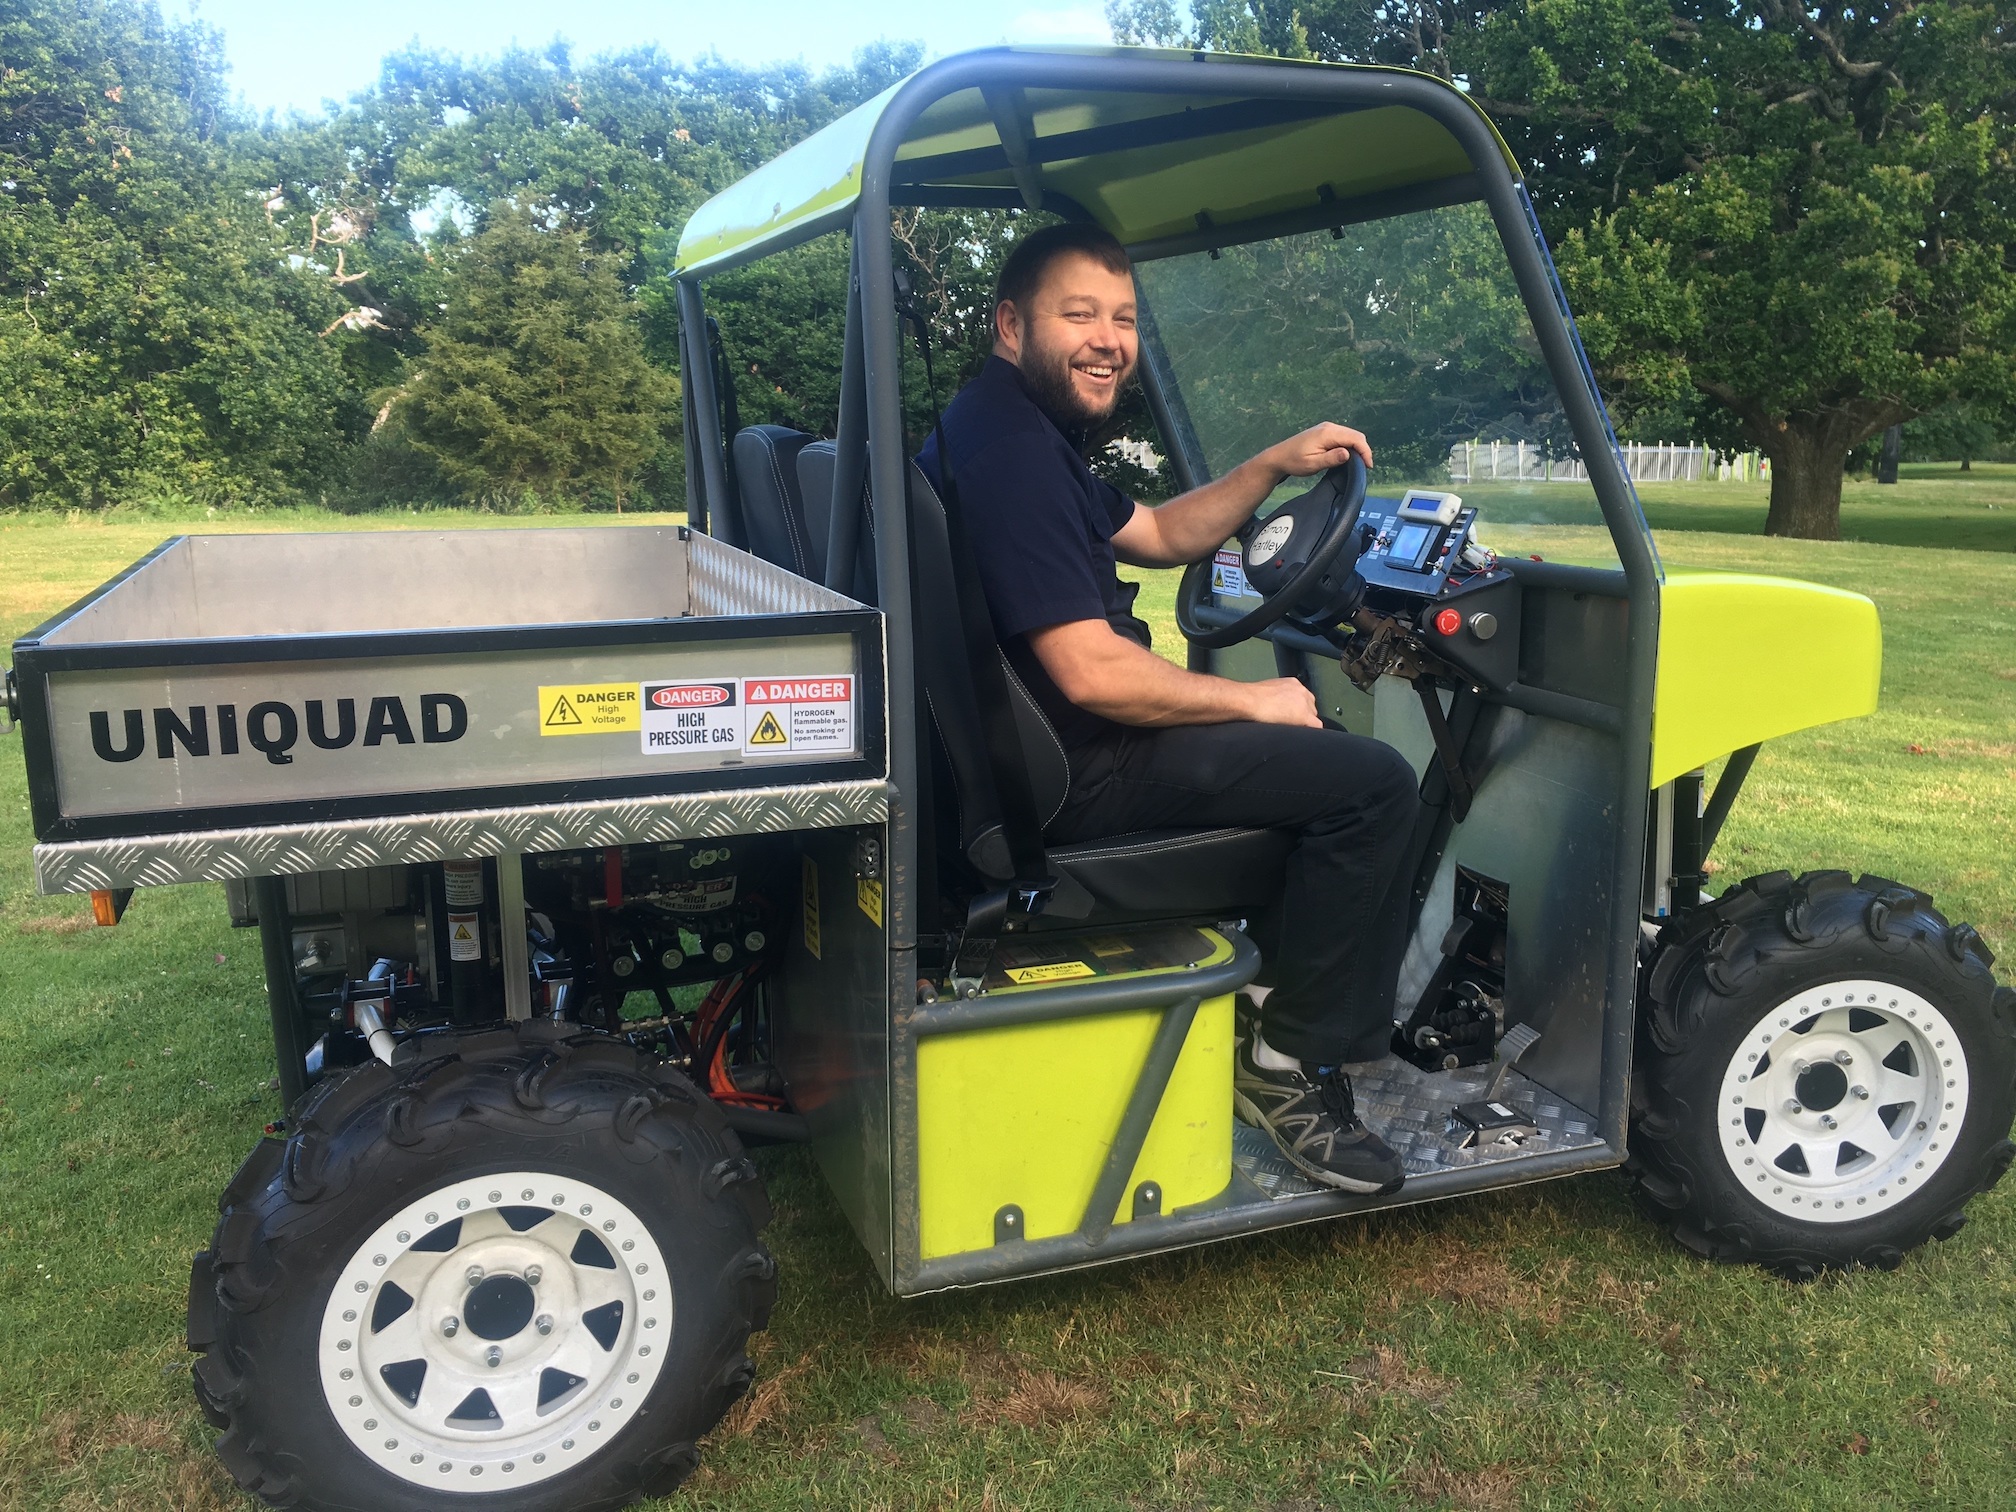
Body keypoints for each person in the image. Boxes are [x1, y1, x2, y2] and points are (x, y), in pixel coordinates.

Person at [917, 222, 1419, 1197]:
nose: (1108, 339)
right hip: (1079, 775)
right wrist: (1253, 701)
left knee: (1309, 755)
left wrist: (1270, 465)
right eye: (1080, 316)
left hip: (1038, 759)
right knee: (1372, 787)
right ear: (1011, 324)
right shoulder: (1013, 460)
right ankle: (1287, 1067)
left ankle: (1265, 1001)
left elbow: (1154, 532)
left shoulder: (1004, 429)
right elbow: (1096, 674)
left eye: (1123, 319)